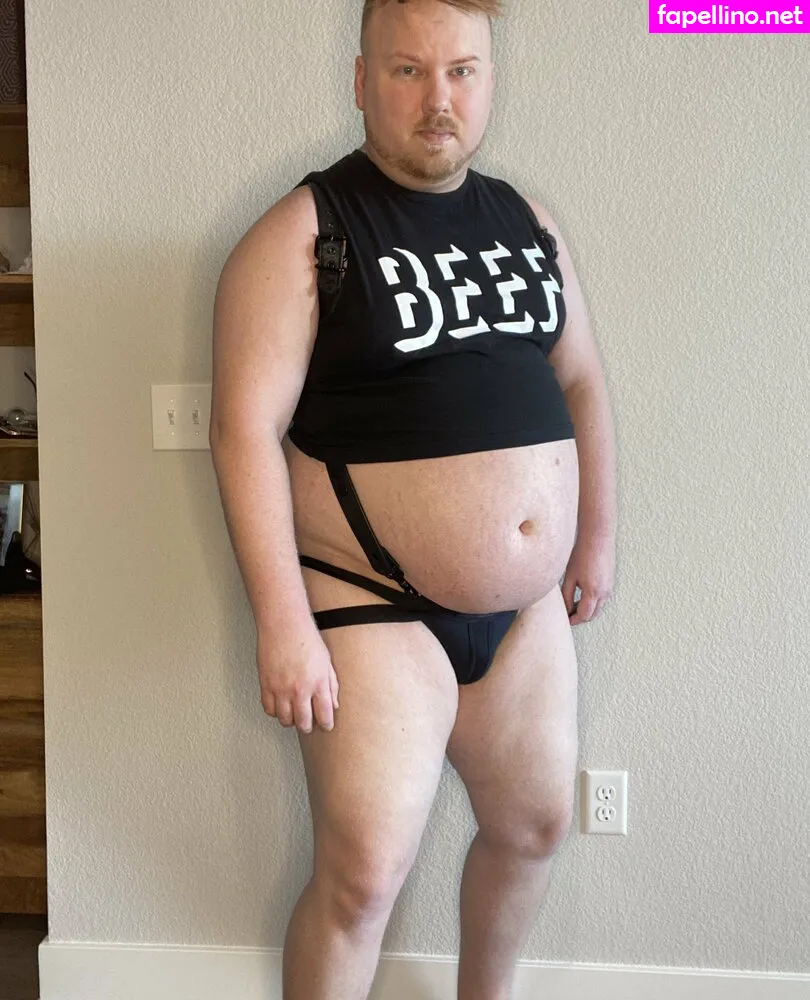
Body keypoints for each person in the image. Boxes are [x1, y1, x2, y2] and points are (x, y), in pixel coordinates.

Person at [210, 0, 617, 997]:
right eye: (408, 71)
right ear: (361, 82)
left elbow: (580, 381)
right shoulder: (306, 231)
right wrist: (282, 623)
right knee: (362, 878)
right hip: (370, 599)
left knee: (533, 826)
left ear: (489, 79)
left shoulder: (528, 222)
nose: (440, 100)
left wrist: (594, 536)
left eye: (462, 71)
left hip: (525, 613)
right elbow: (243, 431)